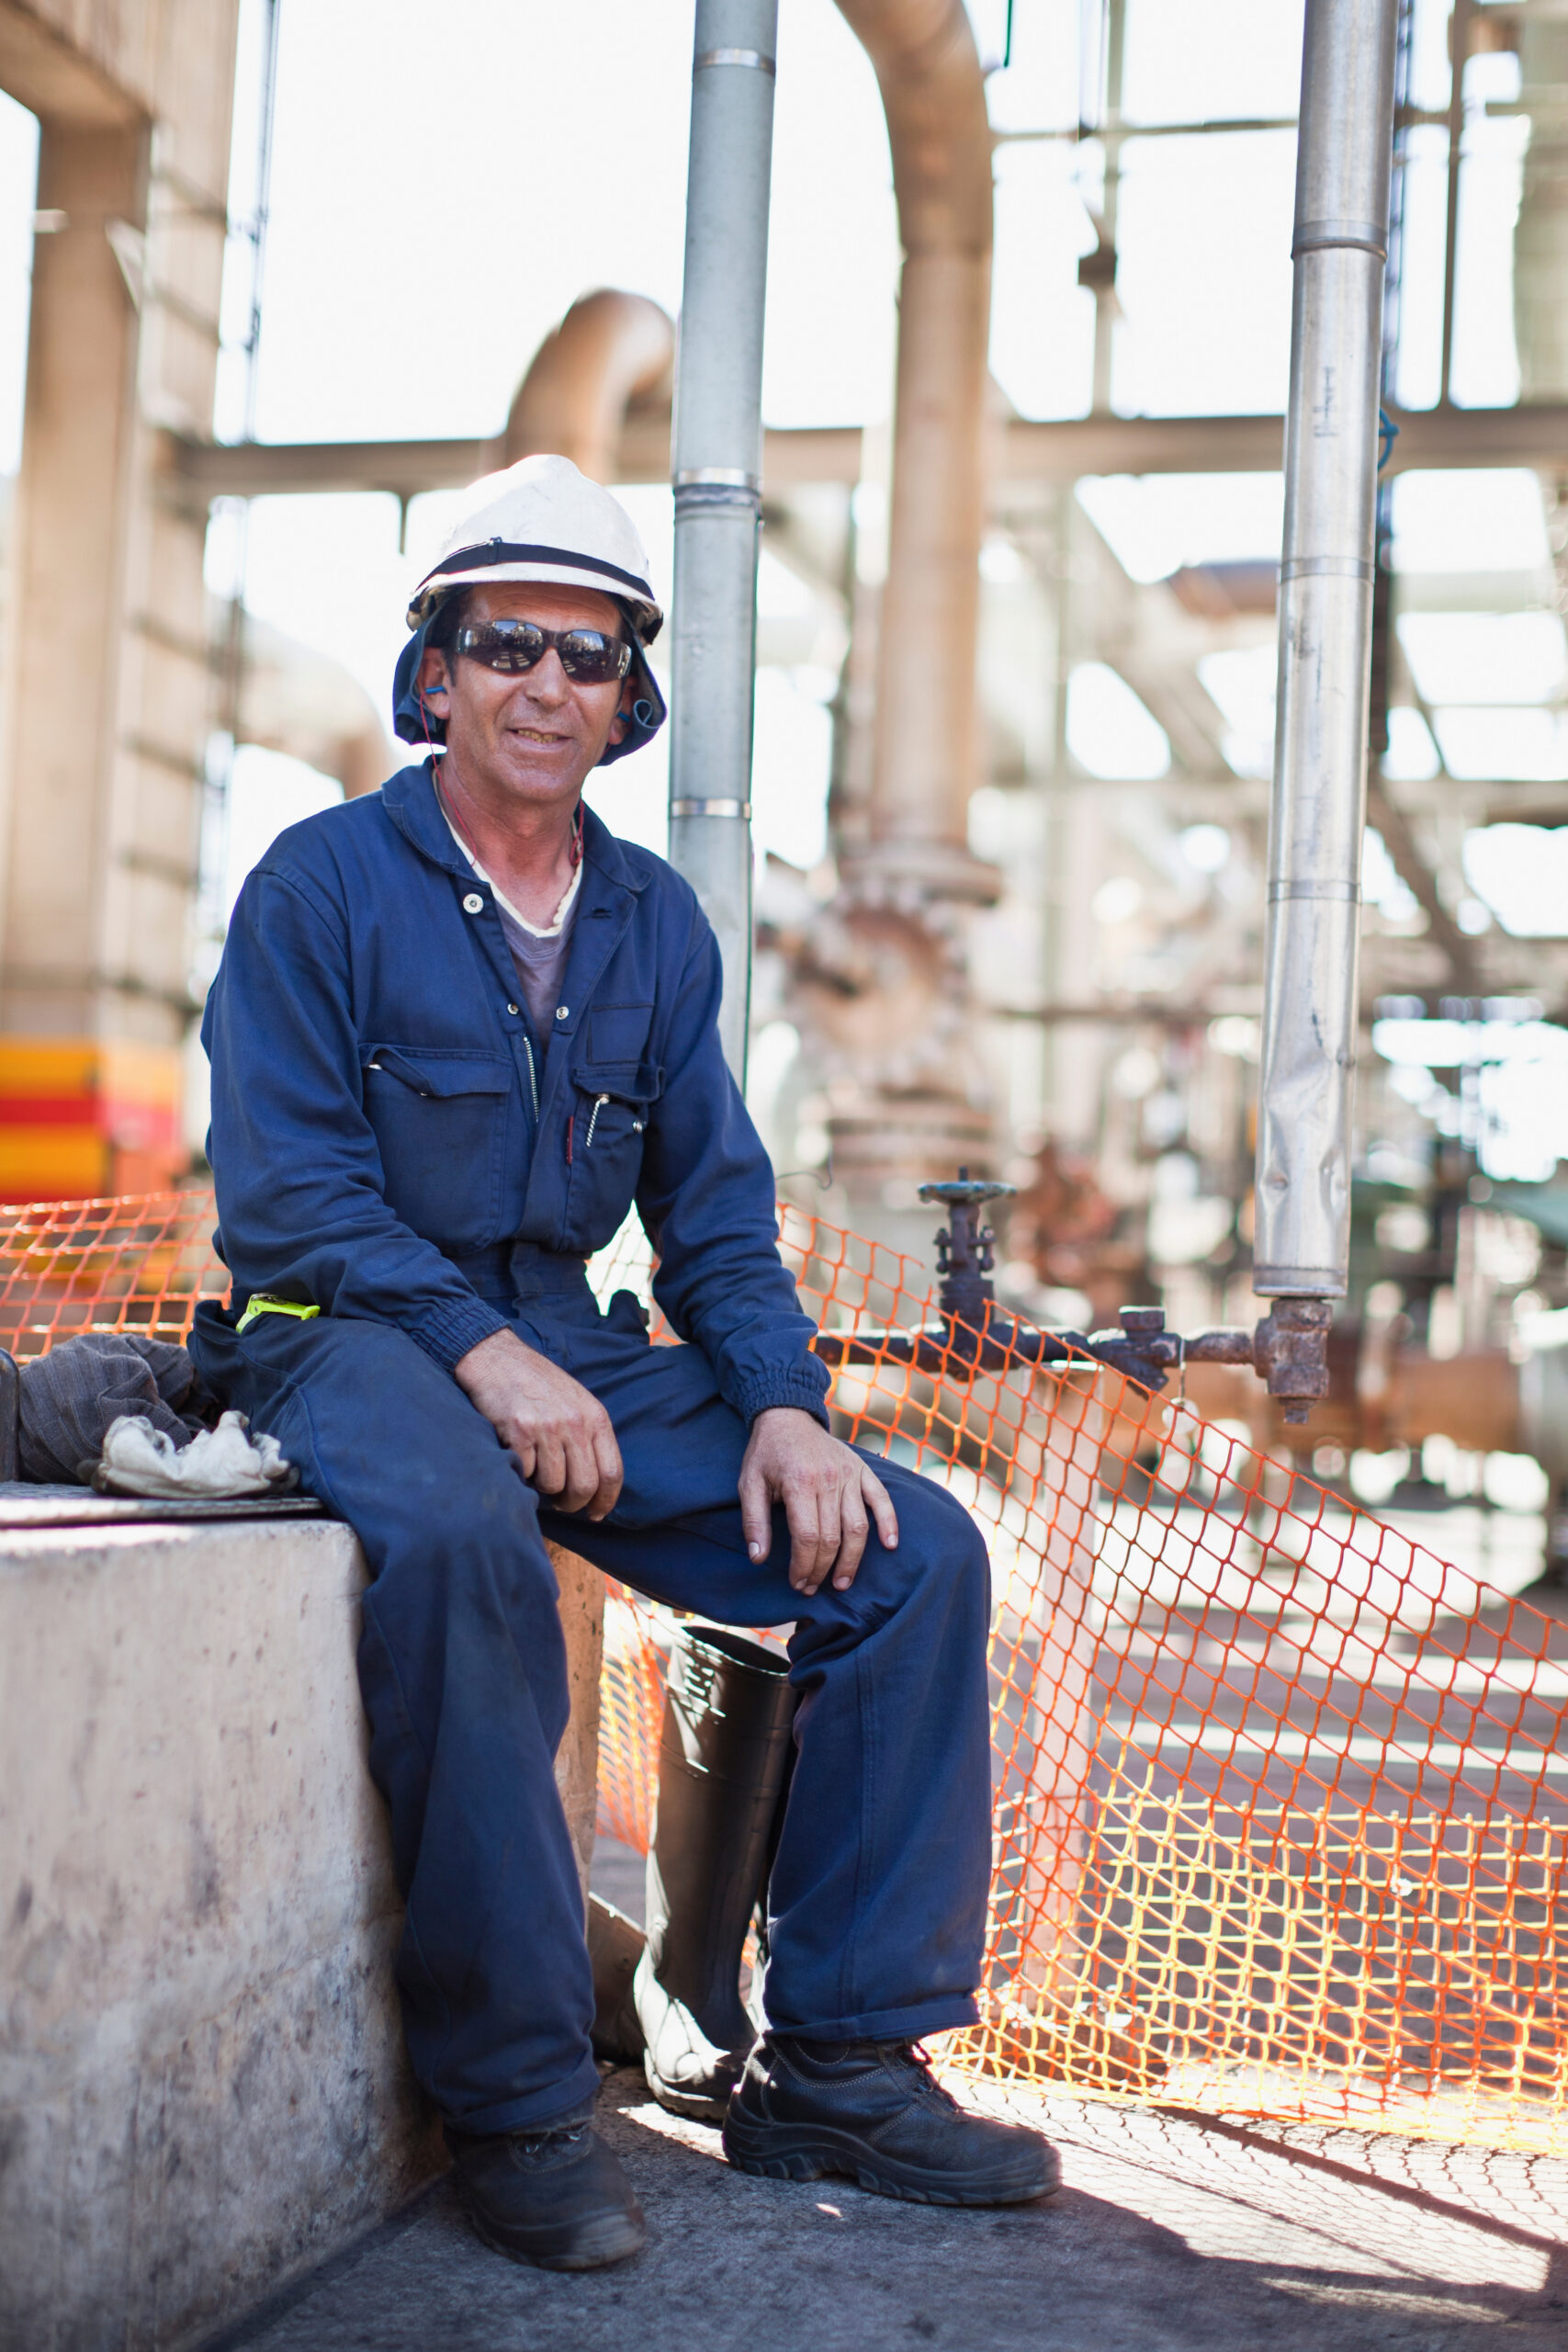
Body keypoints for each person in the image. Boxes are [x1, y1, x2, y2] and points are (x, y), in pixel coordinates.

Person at [194, 455, 1057, 2272]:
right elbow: (288, 1199)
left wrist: (785, 1407)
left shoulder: (652, 921)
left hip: (570, 1349)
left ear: (625, 697)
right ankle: (517, 2104)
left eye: (585, 656)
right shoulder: (321, 883)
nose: (544, 684)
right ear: (435, 672)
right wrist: (479, 1353)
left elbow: (715, 1216)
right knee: (466, 1553)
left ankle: (839, 2062)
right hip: (335, 1336)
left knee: (912, 1553)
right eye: (505, 644)